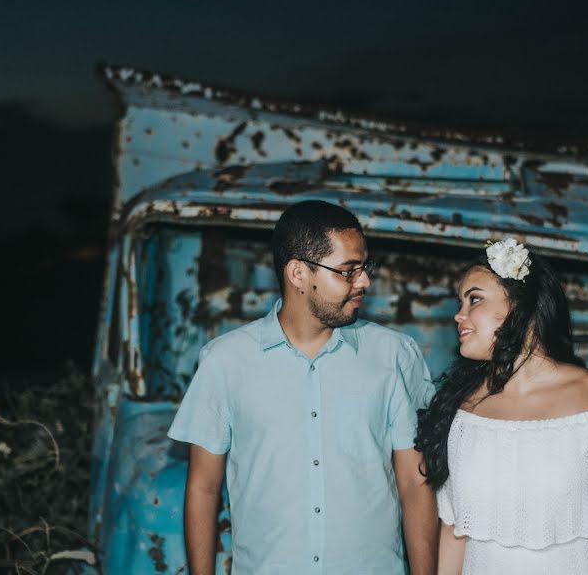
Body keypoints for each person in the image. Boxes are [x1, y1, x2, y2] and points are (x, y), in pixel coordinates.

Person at [168, 200, 439, 575]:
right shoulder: (224, 361)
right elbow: (202, 488)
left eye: (364, 268)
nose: (364, 281)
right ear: (298, 273)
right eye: (348, 270)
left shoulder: (395, 356)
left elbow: (414, 482)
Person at [415, 238, 588, 575]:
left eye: (475, 300)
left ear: (522, 307)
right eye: (461, 302)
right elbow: (454, 533)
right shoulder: (464, 410)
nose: (459, 315)